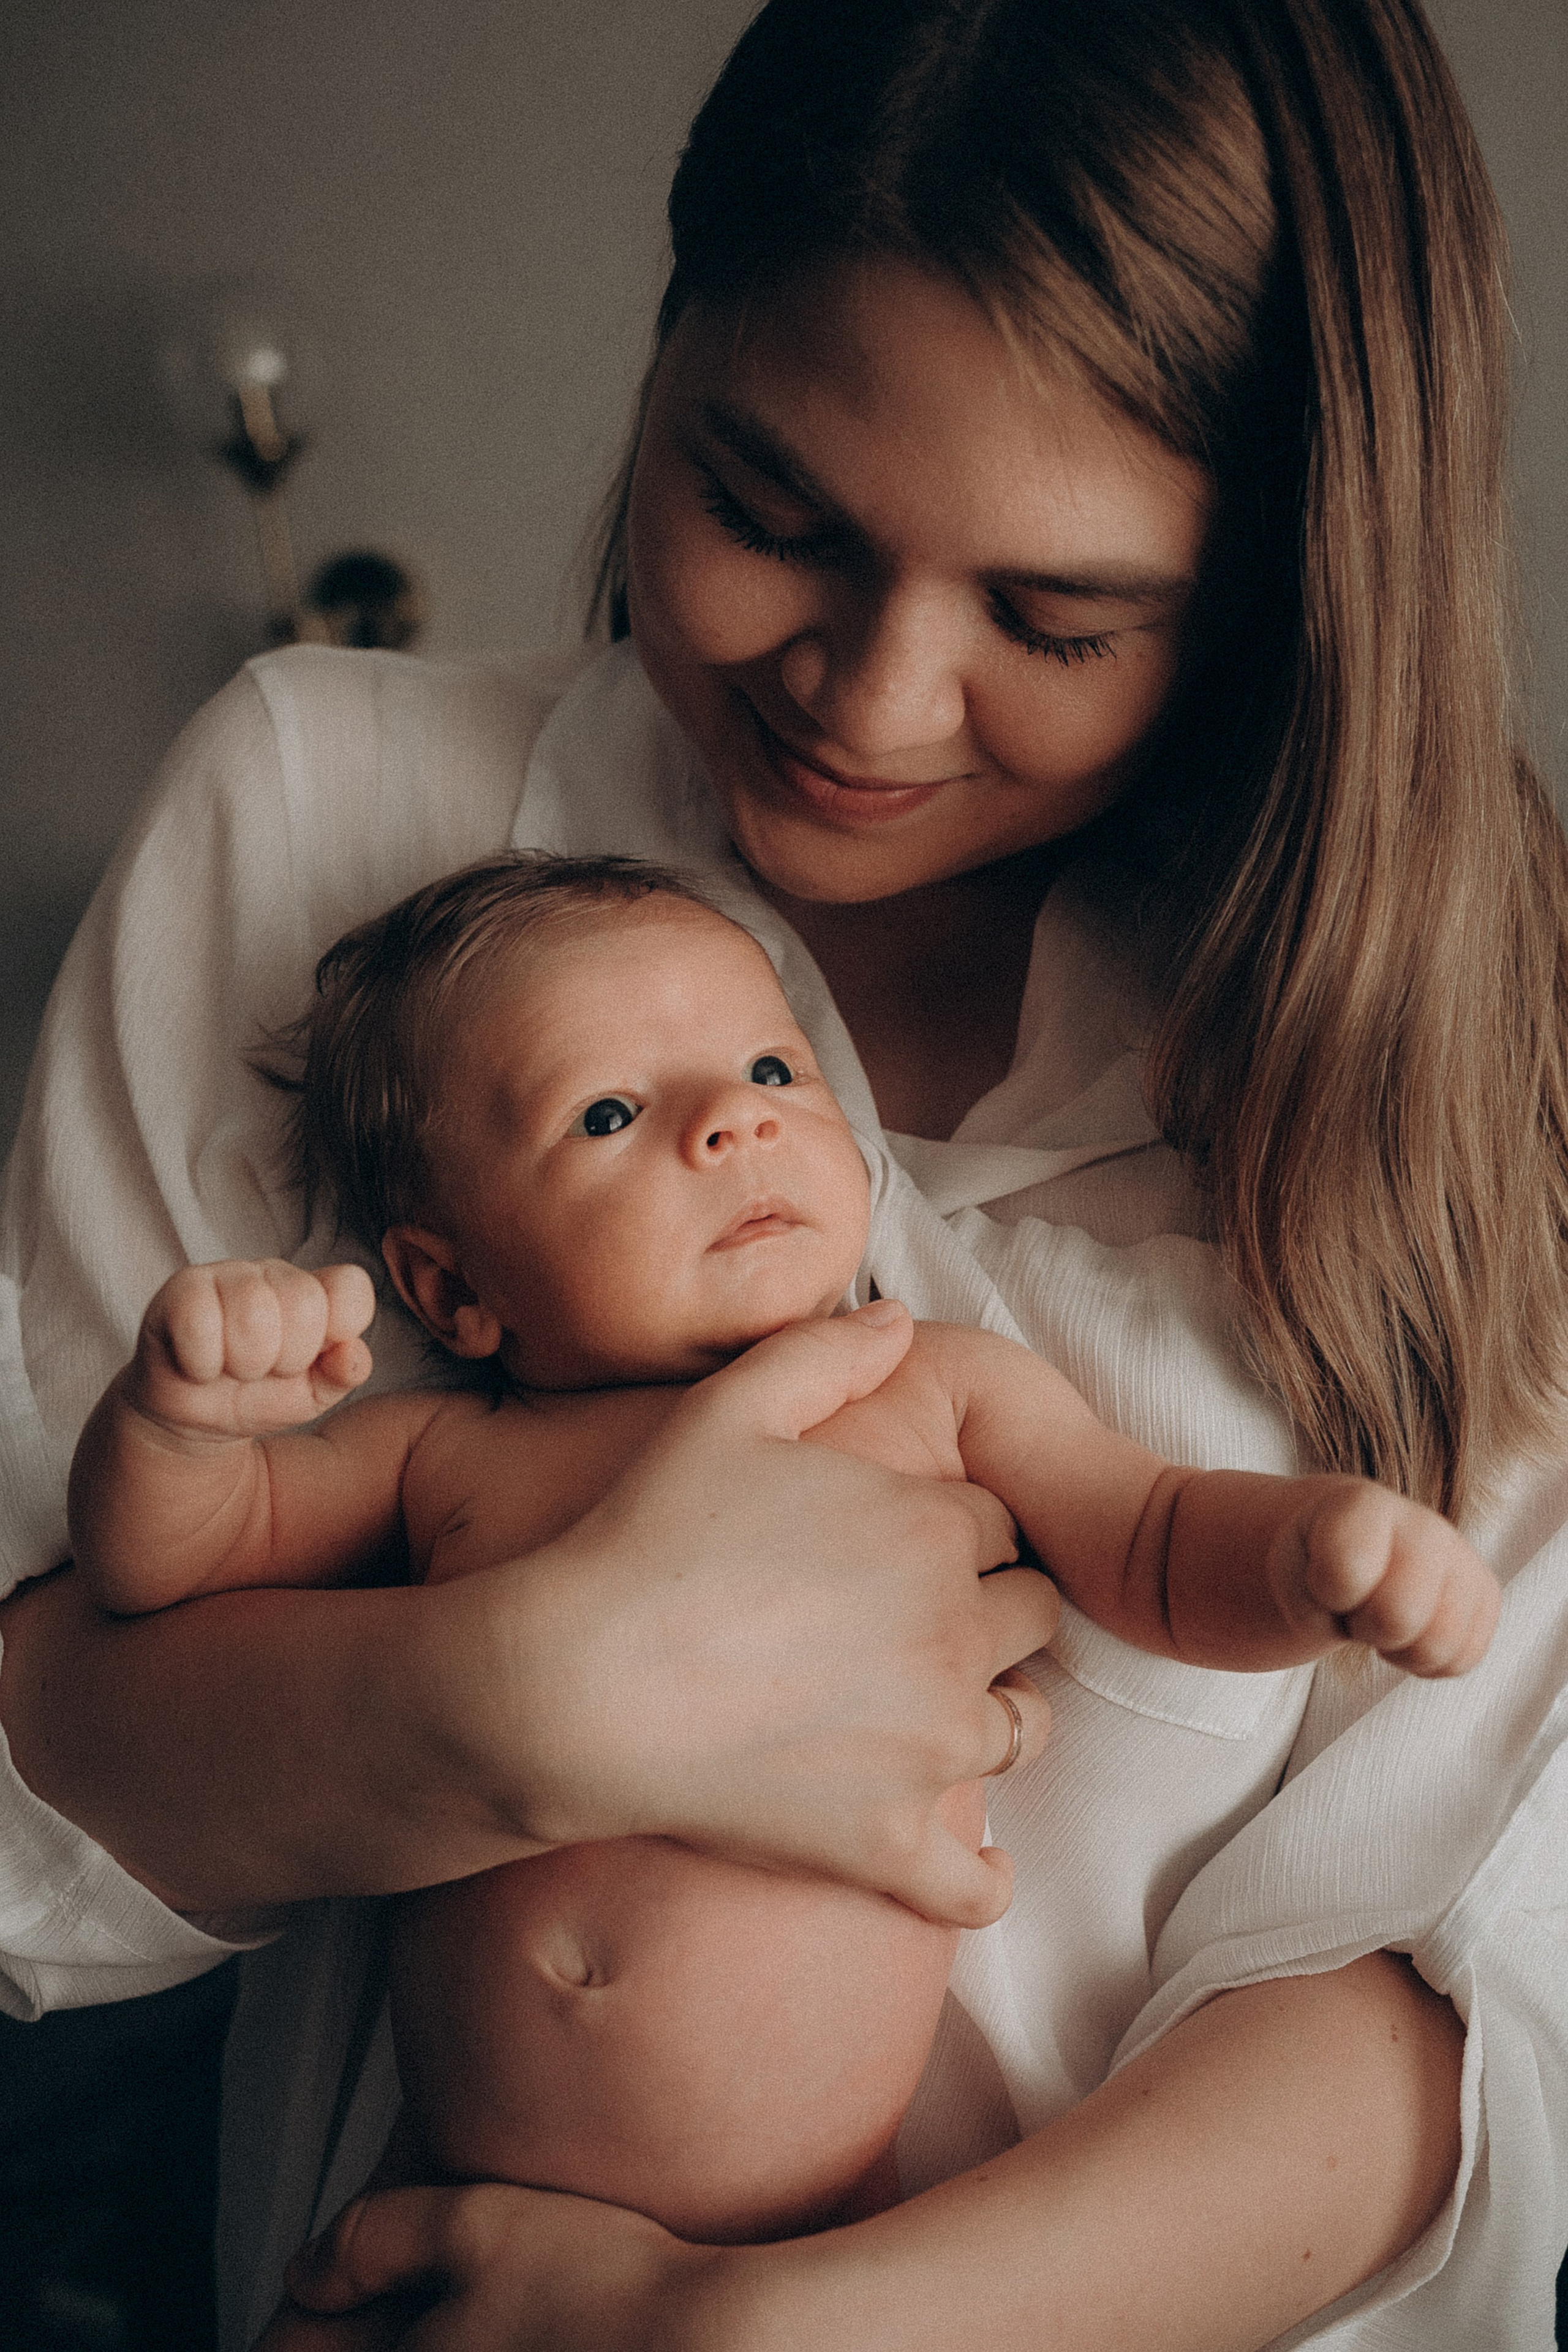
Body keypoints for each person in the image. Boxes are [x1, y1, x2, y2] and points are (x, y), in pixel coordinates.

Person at [0, 0, 1563, 2345]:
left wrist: (752, 2335)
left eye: (1057, 619)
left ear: (1280, 595)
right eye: (768, 509)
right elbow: (34, 1791)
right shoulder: (330, 816)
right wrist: (512, 1702)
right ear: (666, 349)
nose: (870, 698)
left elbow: (1460, 1996)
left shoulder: (1470, 1049)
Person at [65, 853, 1499, 2255]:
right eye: (612, 1112)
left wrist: (1316, 1553)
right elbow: (170, 1566)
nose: (729, 1128)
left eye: (768, 1075)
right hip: (433, 2192)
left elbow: (1156, 1541)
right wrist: (177, 1426)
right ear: (452, 1286)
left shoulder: (922, 1386)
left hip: (810, 2229)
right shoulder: (450, 1455)